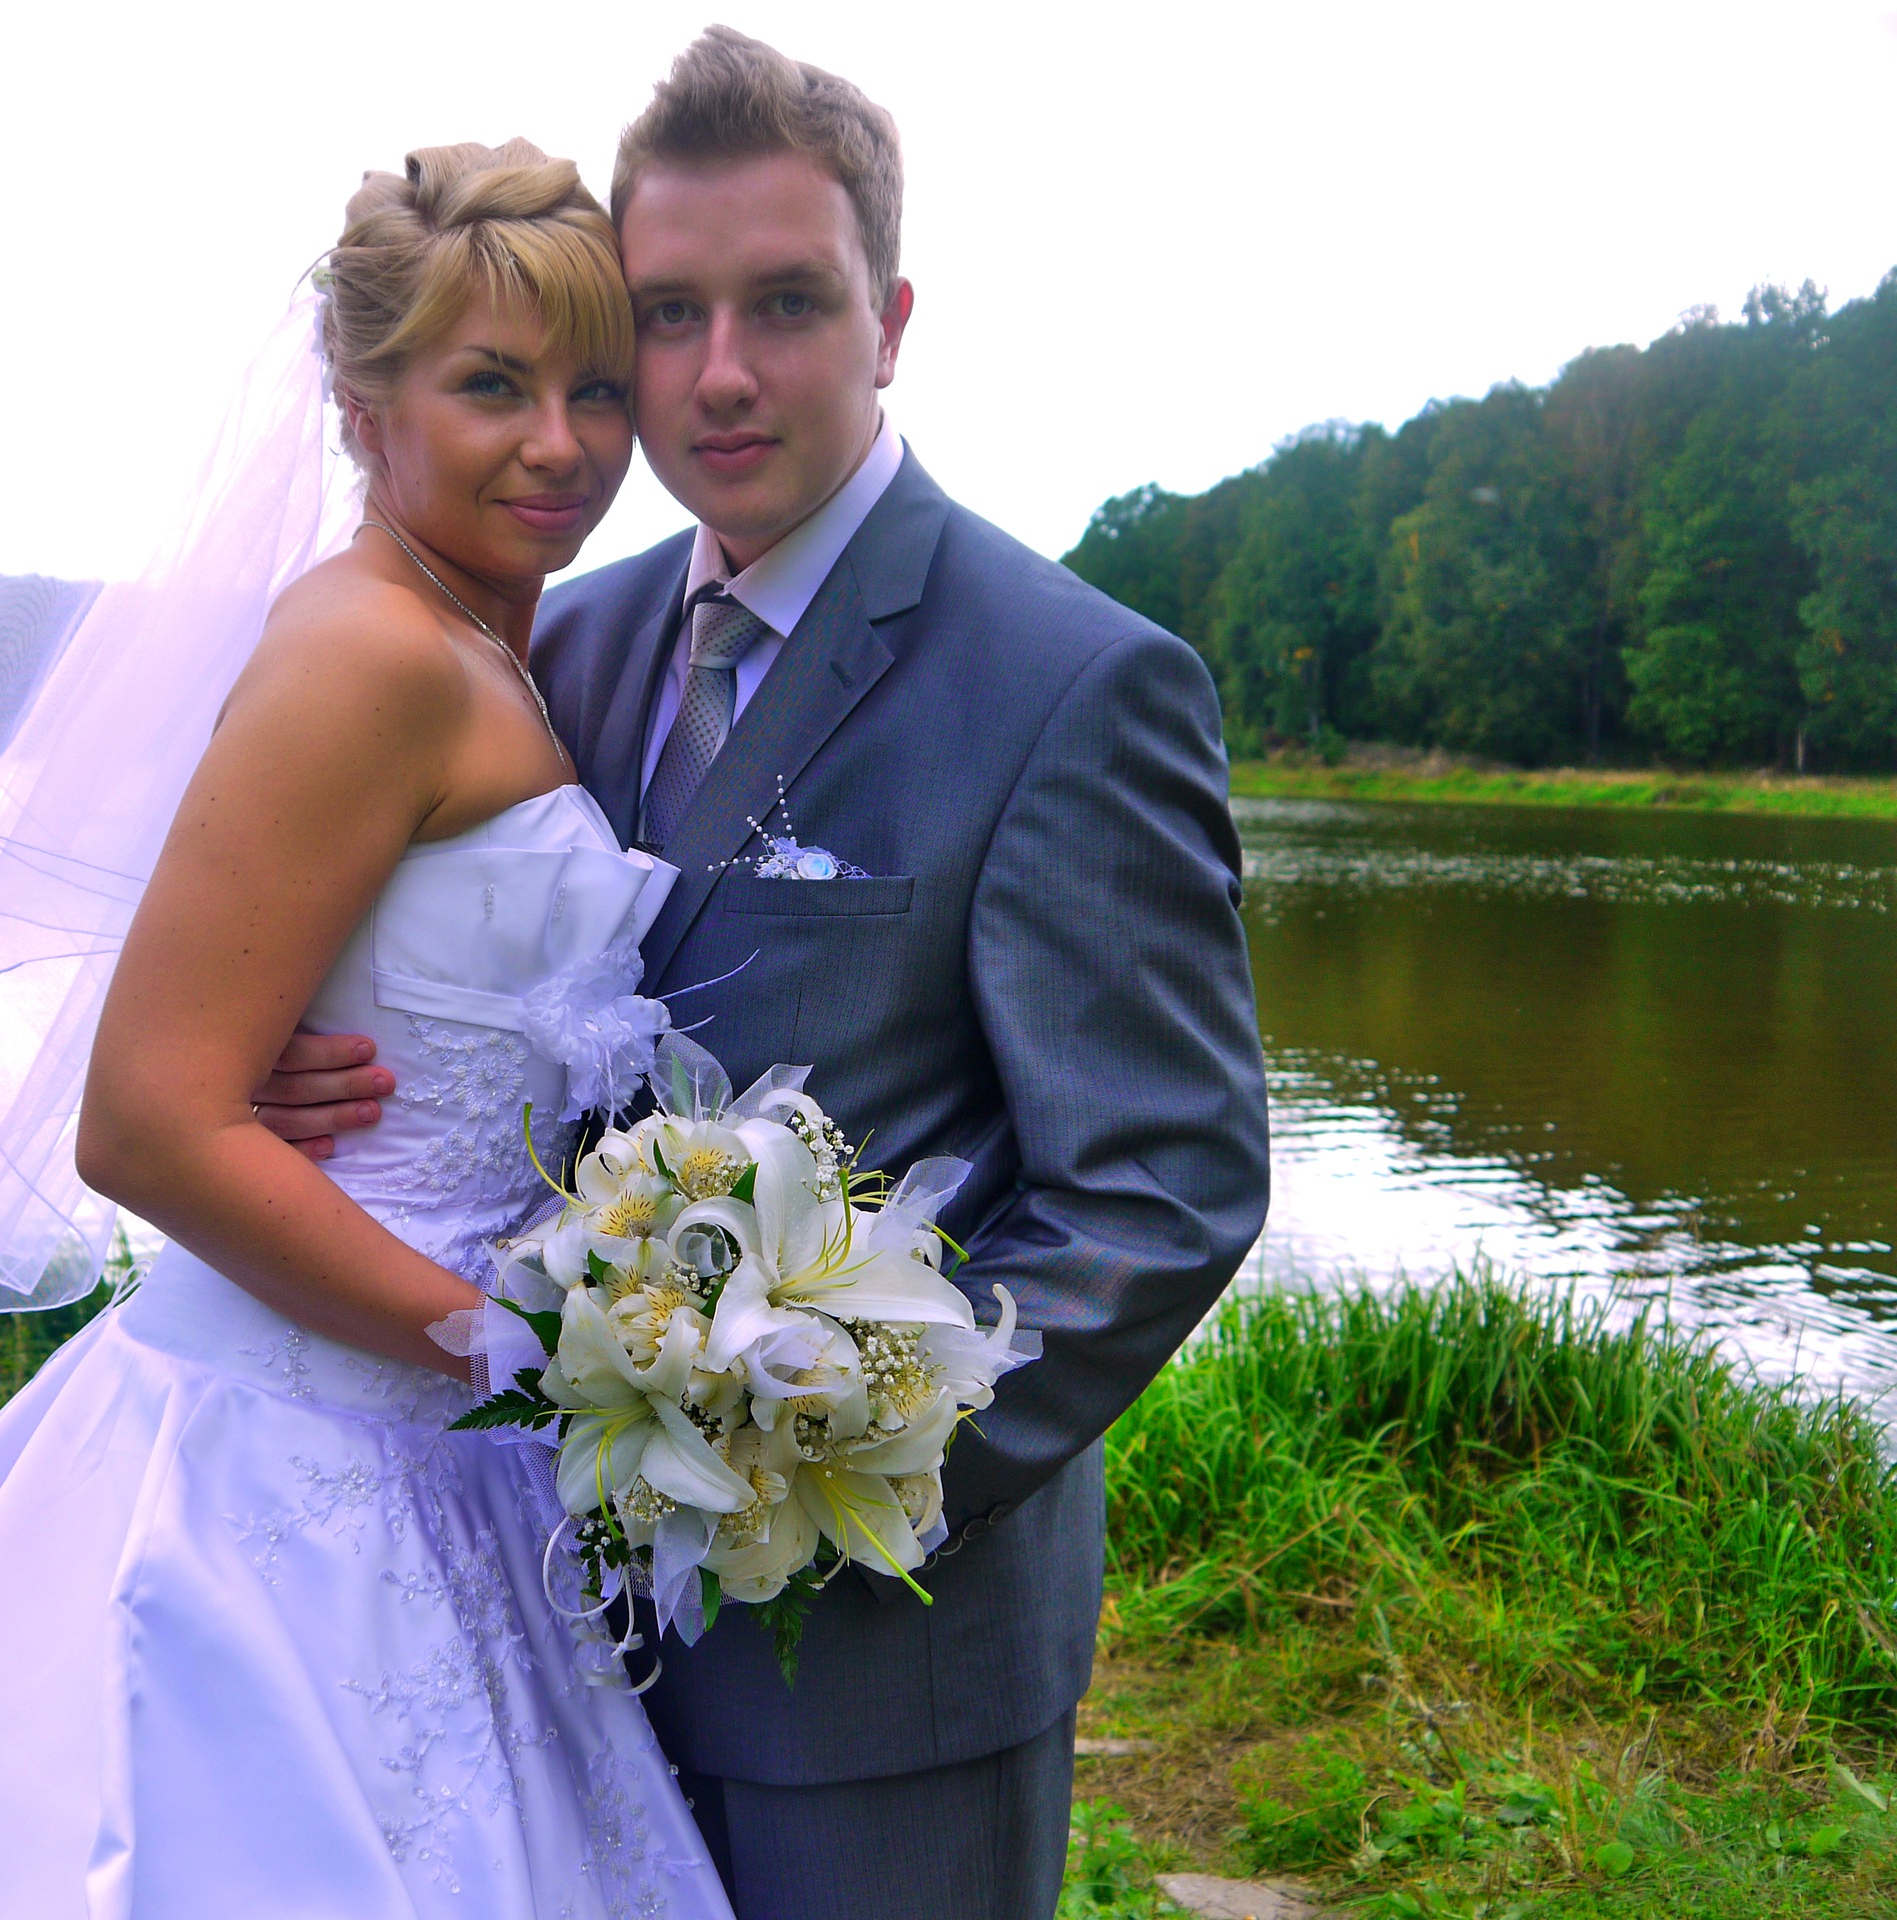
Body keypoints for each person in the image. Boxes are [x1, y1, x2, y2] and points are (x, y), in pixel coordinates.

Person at [0, 141, 732, 1920]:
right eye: (493, 386)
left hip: (431, 1450)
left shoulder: (481, 647)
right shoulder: (377, 656)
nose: (562, 444)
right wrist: (532, 1355)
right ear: (362, 403)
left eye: (598, 390)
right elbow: (150, 1126)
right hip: (303, 1447)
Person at [261, 31, 1273, 1919]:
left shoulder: (1072, 682)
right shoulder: (558, 638)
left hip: (885, 1675)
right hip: (539, 1633)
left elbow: (1163, 1187)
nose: (721, 372)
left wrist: (834, 1448)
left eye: (788, 303)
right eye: (671, 313)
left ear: (890, 323)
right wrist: (282, 1065)